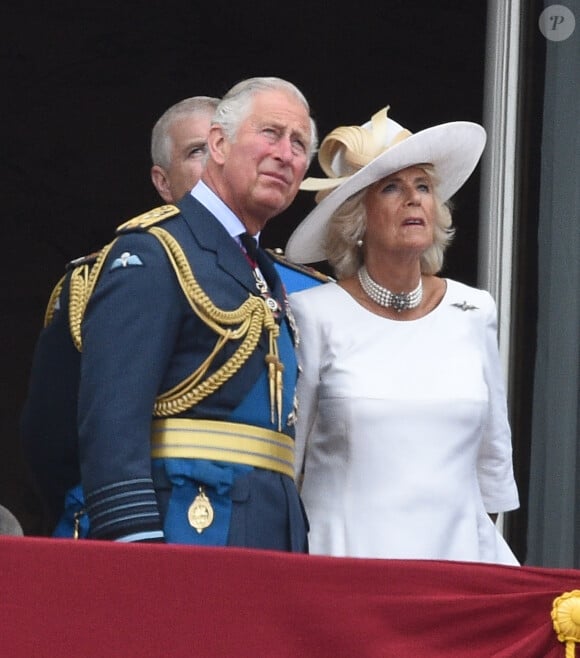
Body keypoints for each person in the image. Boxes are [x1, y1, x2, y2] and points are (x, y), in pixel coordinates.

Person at [31, 76, 318, 550]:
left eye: (299, 143)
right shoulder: (155, 252)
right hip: (186, 532)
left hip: (267, 536)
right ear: (219, 144)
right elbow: (111, 424)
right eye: (270, 133)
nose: (285, 154)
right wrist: (136, 545)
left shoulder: (260, 268)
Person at [284, 107, 520, 564]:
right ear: (357, 219)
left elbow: (493, 462)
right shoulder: (313, 314)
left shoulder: (473, 310)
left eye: (423, 186)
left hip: (455, 569)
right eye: (391, 187)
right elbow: (290, 465)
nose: (413, 199)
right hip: (348, 568)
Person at [20, 95, 219, 531]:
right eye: (195, 151)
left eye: (220, 147)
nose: (212, 163)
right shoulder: (106, 275)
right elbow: (49, 439)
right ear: (162, 182)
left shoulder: (291, 289)